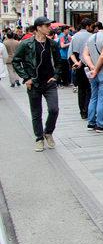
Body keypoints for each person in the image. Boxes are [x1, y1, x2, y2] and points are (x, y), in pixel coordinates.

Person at [12, 16, 63, 152]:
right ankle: (39, 139)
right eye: (47, 26)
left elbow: (59, 62)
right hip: (33, 83)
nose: (49, 28)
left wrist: (56, 76)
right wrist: (26, 78)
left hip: (49, 83)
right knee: (36, 113)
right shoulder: (26, 44)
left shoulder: (52, 44)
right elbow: (16, 61)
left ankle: (48, 132)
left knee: (54, 109)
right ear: (38, 28)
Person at [69, 18, 93, 119]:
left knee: (81, 89)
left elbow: (70, 53)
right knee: (89, 89)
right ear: (87, 26)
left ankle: (82, 111)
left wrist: (76, 63)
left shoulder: (74, 36)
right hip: (89, 65)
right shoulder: (92, 37)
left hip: (78, 67)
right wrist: (82, 62)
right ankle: (87, 109)